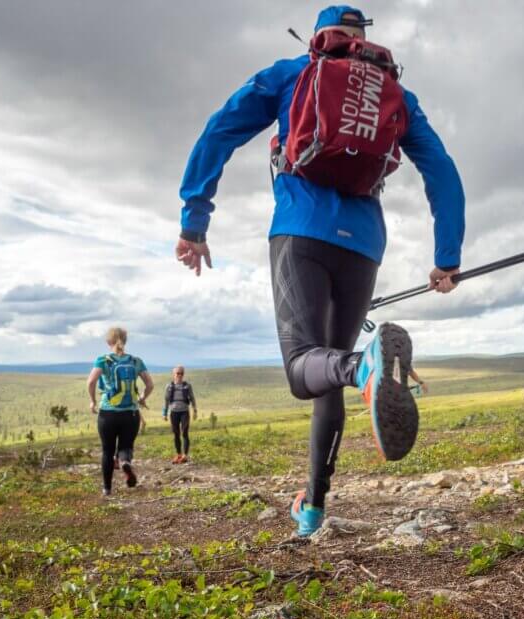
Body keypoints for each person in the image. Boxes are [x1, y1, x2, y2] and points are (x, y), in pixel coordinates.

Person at [176, 5, 464, 537]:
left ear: (319, 39)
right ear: (363, 41)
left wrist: (195, 220)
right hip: (365, 247)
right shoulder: (394, 94)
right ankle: (311, 507)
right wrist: (447, 256)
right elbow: (441, 169)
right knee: (327, 368)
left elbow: (220, 130)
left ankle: (365, 370)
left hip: (301, 231)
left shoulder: (293, 73)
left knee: (305, 367)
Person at [86, 327, 154, 496]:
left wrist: (93, 401)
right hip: (130, 414)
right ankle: (124, 461)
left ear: (108, 342)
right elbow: (150, 385)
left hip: (108, 414)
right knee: (125, 446)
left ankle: (107, 489)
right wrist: (142, 399)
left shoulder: (102, 360)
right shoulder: (136, 361)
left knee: (107, 451)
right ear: (125, 341)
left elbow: (91, 382)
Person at [163, 365, 198, 464]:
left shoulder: (187, 386)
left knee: (185, 433)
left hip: (184, 412)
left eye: (181, 373)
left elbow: (192, 398)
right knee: (176, 434)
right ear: (173, 374)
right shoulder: (169, 386)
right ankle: (178, 454)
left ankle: (185, 456)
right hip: (174, 412)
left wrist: (195, 410)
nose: (179, 375)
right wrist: (164, 413)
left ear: (183, 374)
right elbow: (166, 400)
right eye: (178, 373)